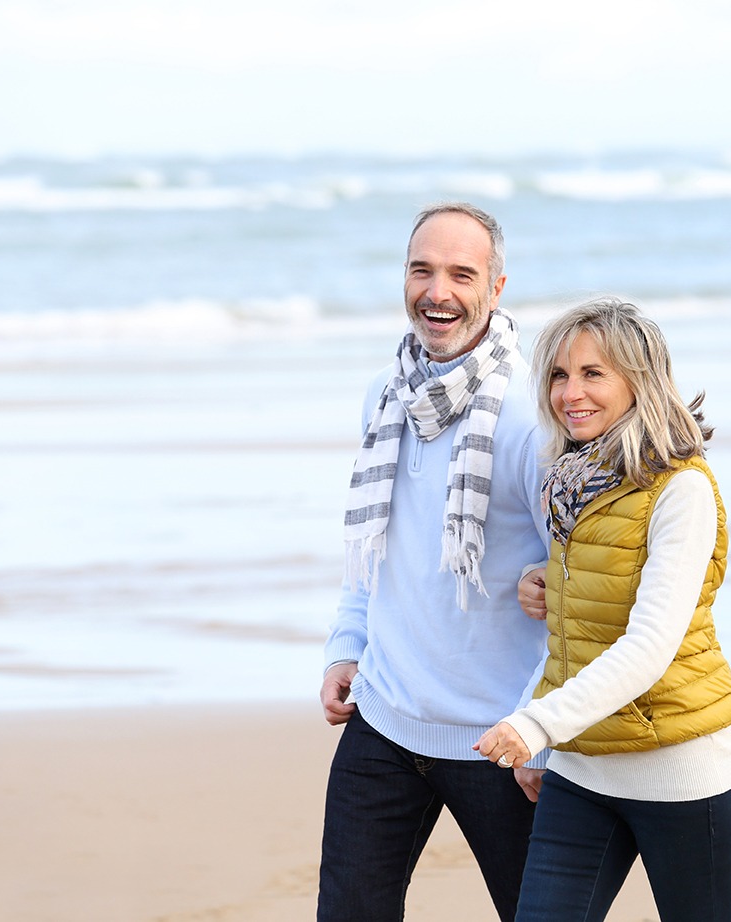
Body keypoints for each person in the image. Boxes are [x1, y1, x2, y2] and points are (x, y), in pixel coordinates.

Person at [474, 298, 731, 922]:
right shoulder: (571, 482)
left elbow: (648, 646)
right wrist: (544, 578)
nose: (571, 393)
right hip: (583, 772)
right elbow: (580, 630)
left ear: (639, 380)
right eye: (558, 375)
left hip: (681, 774)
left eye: (593, 373)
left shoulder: (683, 489)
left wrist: (534, 726)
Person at [318, 203, 551, 922]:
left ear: (498, 286)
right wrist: (347, 643)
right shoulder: (385, 394)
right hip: (384, 720)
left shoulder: (529, 415)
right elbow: (377, 541)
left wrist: (543, 724)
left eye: (461, 273)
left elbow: (578, 579)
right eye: (422, 270)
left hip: (499, 740)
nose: (437, 291)